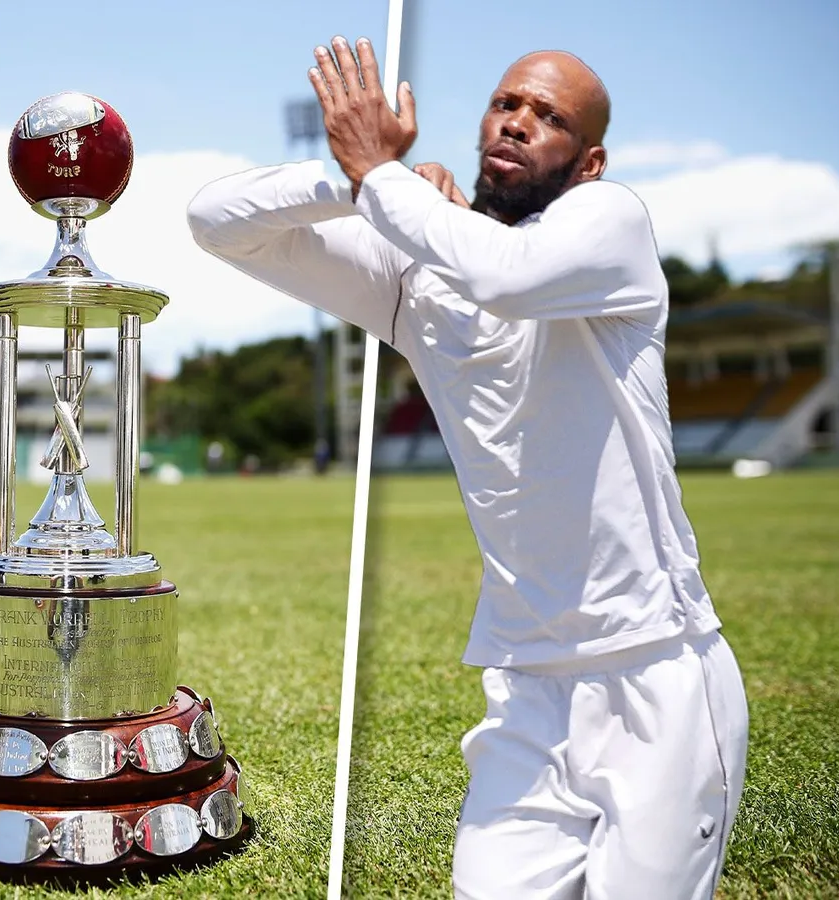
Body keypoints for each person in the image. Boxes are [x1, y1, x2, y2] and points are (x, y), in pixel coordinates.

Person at [187, 38, 749, 900]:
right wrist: (350, 179)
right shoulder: (419, 266)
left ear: (589, 161)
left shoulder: (611, 225)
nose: (519, 122)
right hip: (524, 687)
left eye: (550, 118)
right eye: (508, 103)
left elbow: (507, 277)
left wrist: (388, 184)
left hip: (658, 672)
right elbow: (214, 222)